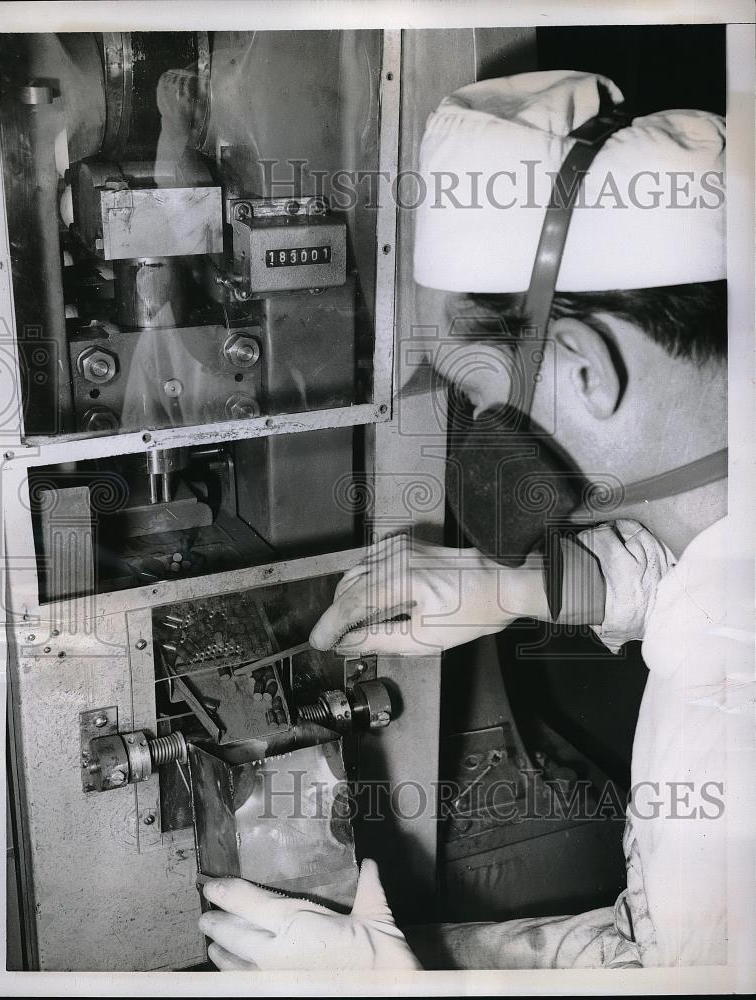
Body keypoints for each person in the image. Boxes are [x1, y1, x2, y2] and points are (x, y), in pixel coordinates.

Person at [198, 70, 750, 970]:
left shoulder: (721, 738)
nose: (471, 438)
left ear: (583, 369)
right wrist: (522, 587)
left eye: (473, 394)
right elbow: (698, 582)